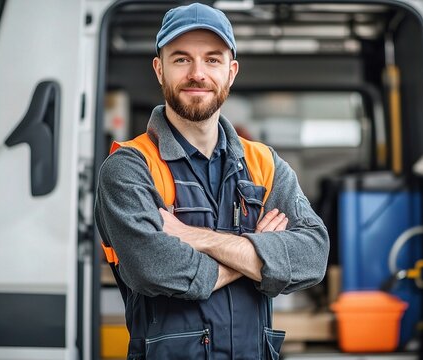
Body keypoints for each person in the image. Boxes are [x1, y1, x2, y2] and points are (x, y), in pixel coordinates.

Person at [94, 3, 329, 359]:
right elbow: (155, 269)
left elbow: (312, 255)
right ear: (160, 70)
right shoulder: (129, 168)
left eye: (213, 59)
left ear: (231, 72)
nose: (197, 73)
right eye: (182, 59)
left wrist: (191, 237)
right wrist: (262, 253)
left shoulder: (263, 163)